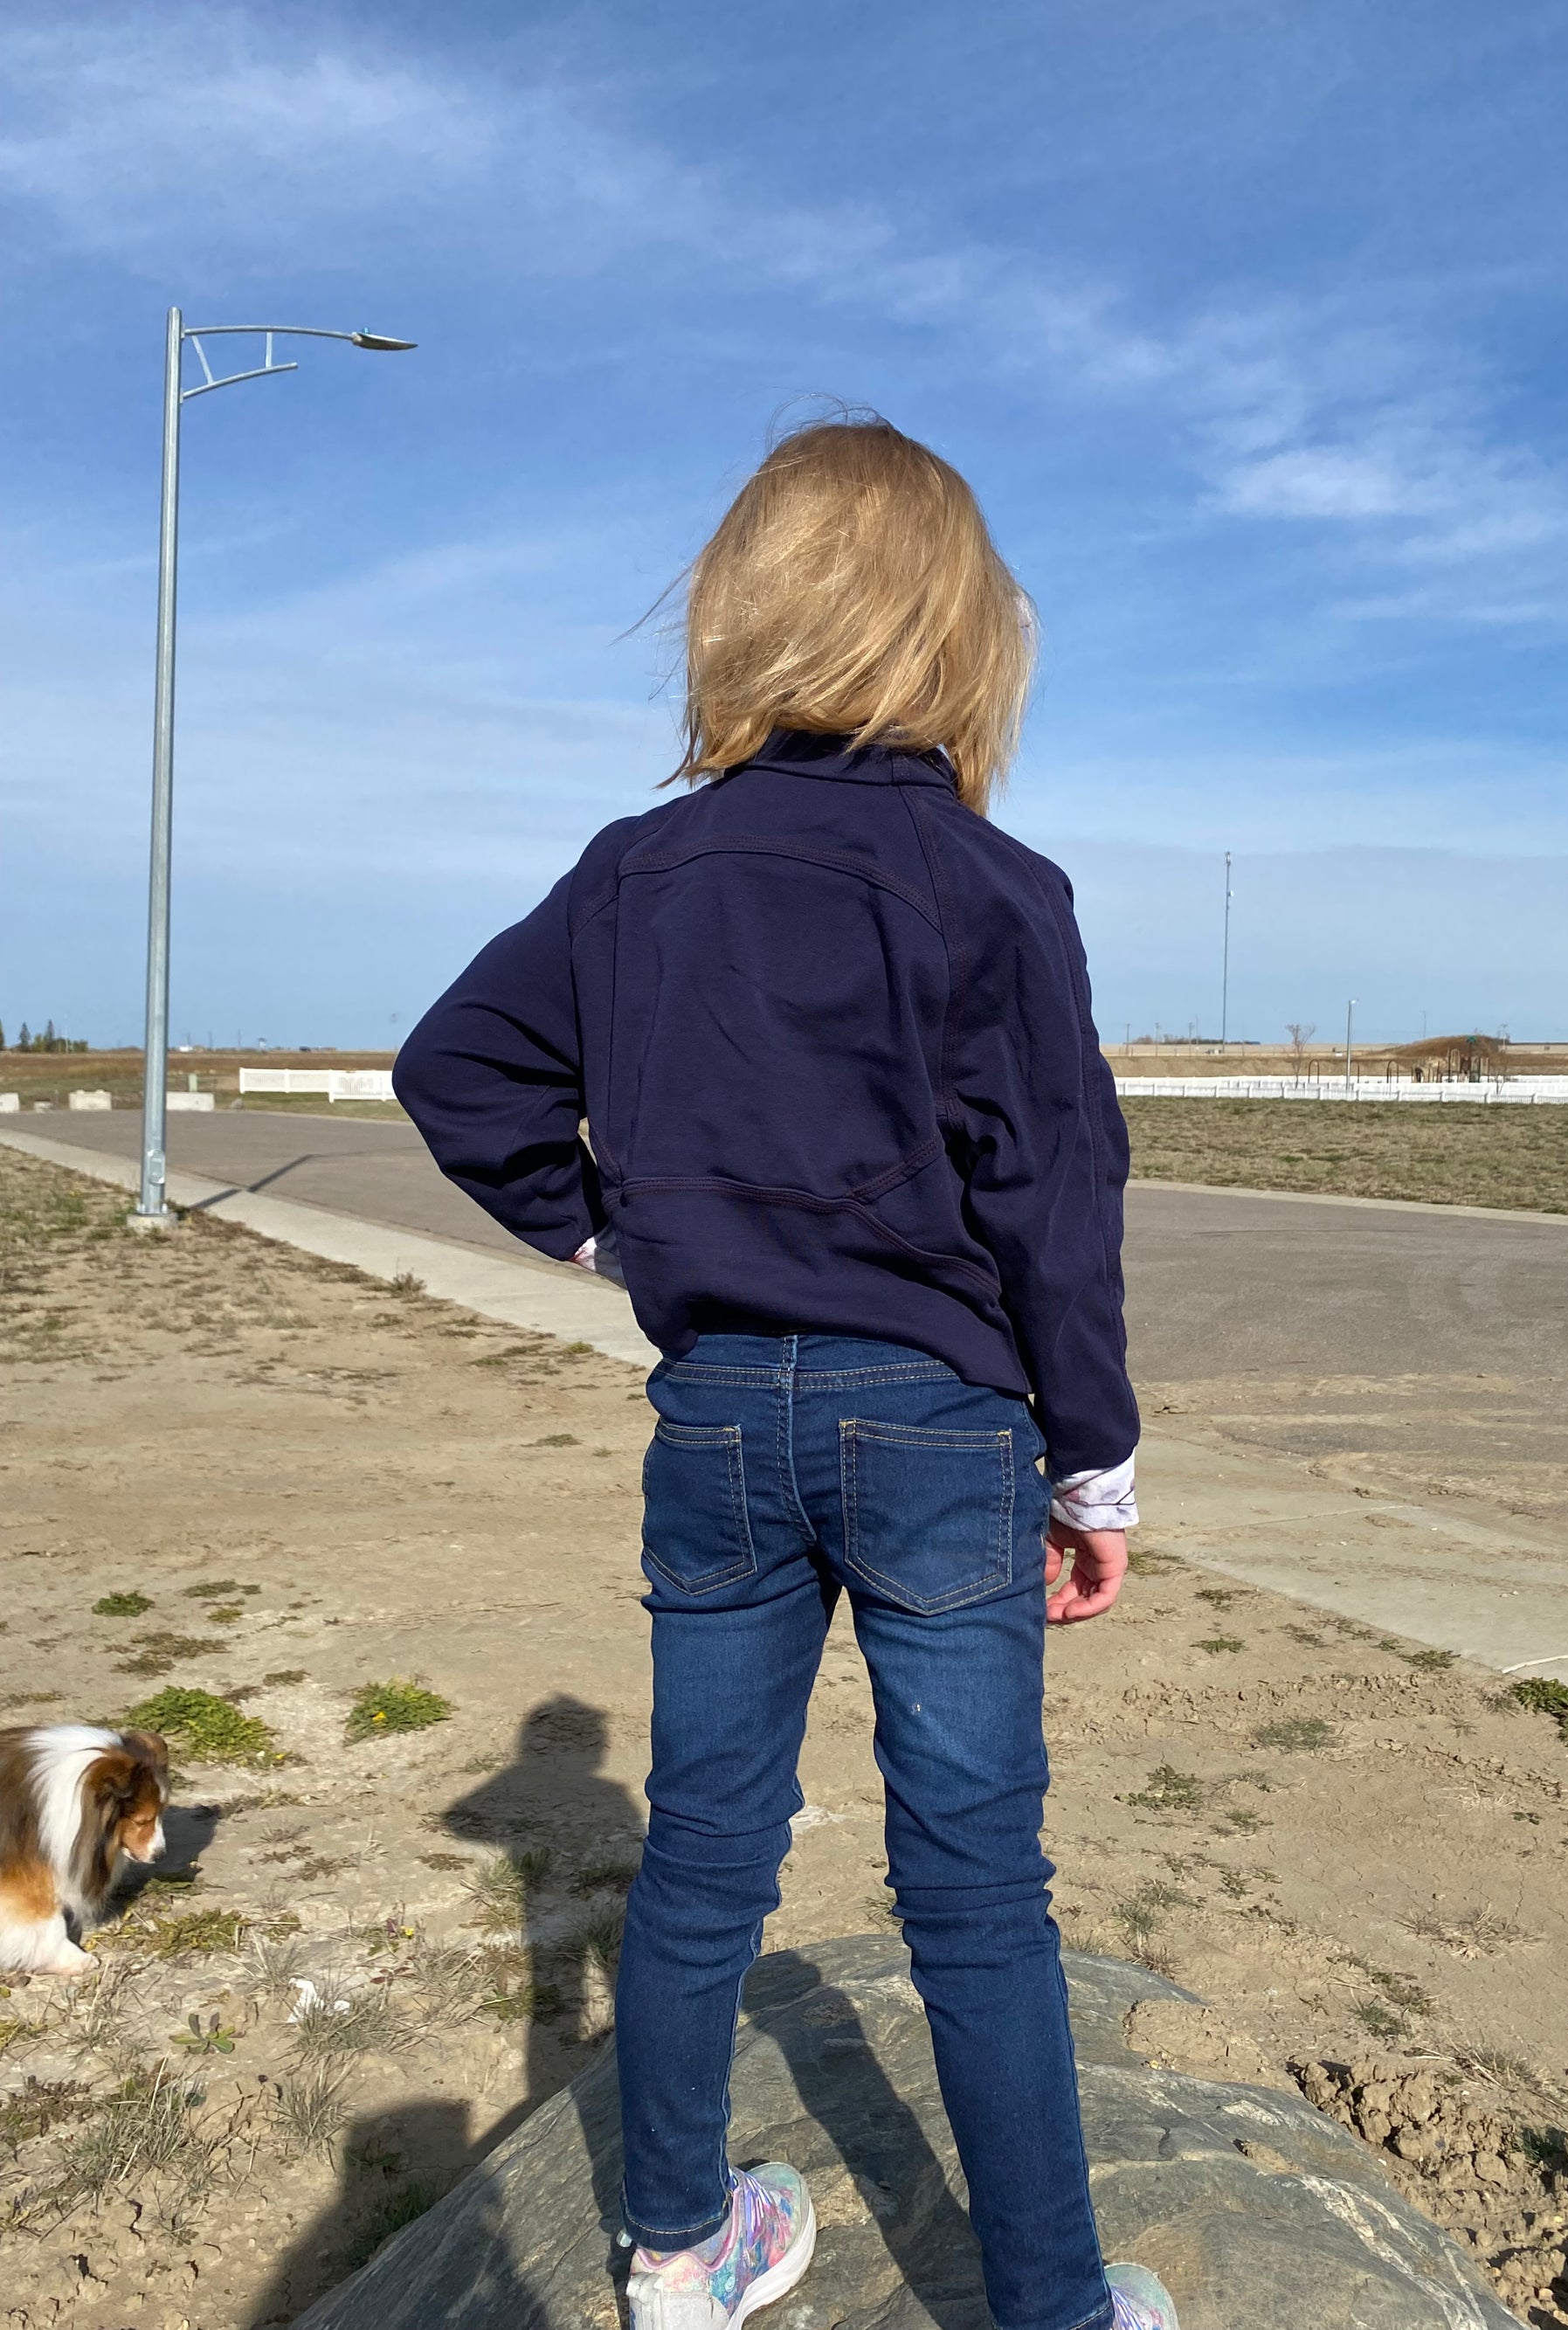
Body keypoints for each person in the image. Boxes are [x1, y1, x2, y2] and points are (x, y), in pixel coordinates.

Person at [394, 416, 1178, 2330]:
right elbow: (1058, 1199)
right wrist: (1094, 1466)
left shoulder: (636, 869)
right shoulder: (991, 883)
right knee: (975, 1886)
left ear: (737, 616)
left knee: (705, 1852)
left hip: (721, 1415)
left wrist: (613, 1236)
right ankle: (1055, 2308)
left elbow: (457, 1068)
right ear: (961, 635)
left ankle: (678, 2254)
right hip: (940, 1422)